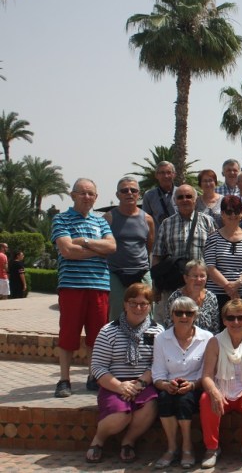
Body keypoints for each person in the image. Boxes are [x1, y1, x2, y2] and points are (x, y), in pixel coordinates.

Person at [85, 283, 164, 464]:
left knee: (150, 405)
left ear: (150, 306)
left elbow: (159, 364)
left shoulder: (158, 331)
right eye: (133, 302)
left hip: (143, 383)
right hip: (113, 383)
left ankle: (128, 441)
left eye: (143, 303)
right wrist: (120, 386)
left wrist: (141, 383)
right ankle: (99, 439)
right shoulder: (108, 331)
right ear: (125, 304)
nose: (138, 308)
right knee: (121, 416)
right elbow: (97, 366)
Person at [52, 178, 117, 397]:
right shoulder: (60, 219)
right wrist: (97, 250)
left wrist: (84, 242)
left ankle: (93, 376)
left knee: (97, 336)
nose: (87, 197)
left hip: (99, 286)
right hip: (72, 286)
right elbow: (67, 251)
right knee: (68, 334)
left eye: (91, 194)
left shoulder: (101, 222)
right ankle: (64, 380)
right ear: (73, 195)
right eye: (82, 193)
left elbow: (112, 246)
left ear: (96, 197)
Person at [200, 298, 242, 468]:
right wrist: (214, 391)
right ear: (224, 320)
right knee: (206, 398)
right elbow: (207, 376)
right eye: (230, 318)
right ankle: (212, 449)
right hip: (222, 391)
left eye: (240, 317)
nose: (236, 322)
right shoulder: (214, 342)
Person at [151, 295, 213, 469]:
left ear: (195, 315)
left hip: (196, 385)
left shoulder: (207, 338)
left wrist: (193, 385)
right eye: (179, 313)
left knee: (185, 400)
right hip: (170, 385)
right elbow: (158, 373)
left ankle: (187, 446)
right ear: (172, 315)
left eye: (189, 313)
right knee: (164, 399)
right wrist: (165, 385)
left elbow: (207, 371)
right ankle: (171, 447)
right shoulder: (161, 339)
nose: (184, 317)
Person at [152, 184, 216, 323]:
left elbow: (214, 253)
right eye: (180, 197)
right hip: (173, 283)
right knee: (172, 322)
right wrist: (156, 286)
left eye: (188, 196)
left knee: (200, 322)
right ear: (175, 200)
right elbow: (157, 255)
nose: (185, 200)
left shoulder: (207, 221)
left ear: (195, 199)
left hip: (200, 284)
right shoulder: (166, 224)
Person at [204, 195, 242, 327]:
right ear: (222, 213)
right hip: (218, 293)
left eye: (237, 211)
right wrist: (228, 287)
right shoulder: (212, 239)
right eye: (229, 211)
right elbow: (210, 267)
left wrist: (237, 284)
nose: (233, 215)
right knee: (219, 331)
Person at [104, 177, 154, 321]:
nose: (129, 193)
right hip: (116, 273)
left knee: (146, 312)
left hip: (142, 272)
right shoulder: (108, 218)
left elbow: (149, 245)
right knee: (117, 314)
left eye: (133, 190)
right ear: (117, 195)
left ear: (139, 194)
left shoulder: (148, 219)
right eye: (124, 190)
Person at [165, 259, 220, 334]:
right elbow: (169, 327)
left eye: (202, 276)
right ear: (185, 278)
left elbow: (215, 328)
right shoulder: (175, 298)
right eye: (195, 276)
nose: (199, 279)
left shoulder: (211, 297)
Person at [142, 161, 177, 235]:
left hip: (179, 240)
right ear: (156, 175)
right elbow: (145, 220)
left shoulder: (182, 194)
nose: (166, 176)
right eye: (162, 173)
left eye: (169, 172)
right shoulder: (149, 195)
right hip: (159, 241)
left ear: (174, 175)